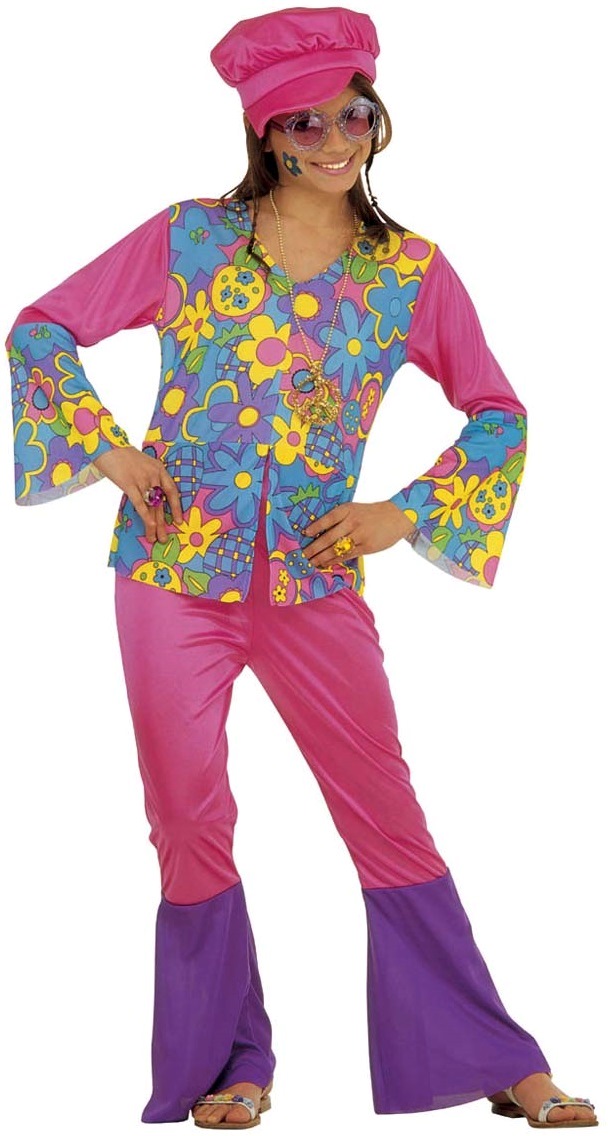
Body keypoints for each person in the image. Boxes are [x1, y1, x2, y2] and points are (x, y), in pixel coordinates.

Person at [5, 5, 598, 1131]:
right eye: (303, 122)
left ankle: (497, 1056)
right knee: (187, 818)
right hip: (170, 574)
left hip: (316, 584)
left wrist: (401, 513)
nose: (334, 139)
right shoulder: (190, 240)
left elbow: (498, 412)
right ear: (265, 133)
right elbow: (39, 329)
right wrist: (109, 450)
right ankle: (231, 1062)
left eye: (353, 114)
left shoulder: (409, 271)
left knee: (384, 810)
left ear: (379, 117)